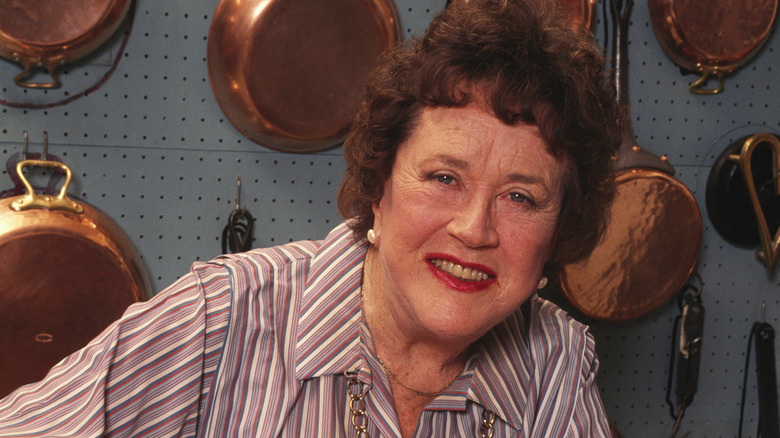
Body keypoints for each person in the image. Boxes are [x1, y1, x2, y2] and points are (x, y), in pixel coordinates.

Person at [0, 0, 621, 436]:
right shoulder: (221, 318)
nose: (475, 229)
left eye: (521, 197)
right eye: (443, 178)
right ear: (380, 182)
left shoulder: (555, 360)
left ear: (559, 225)